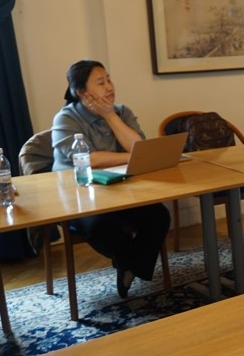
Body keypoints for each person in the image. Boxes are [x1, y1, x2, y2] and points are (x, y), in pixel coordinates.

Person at [51, 59, 171, 299]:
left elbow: (140, 148)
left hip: (121, 190)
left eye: (109, 79)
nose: (109, 87)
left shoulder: (122, 111)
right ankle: (130, 263)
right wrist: (130, 157)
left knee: (159, 216)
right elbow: (87, 159)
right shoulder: (66, 119)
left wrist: (110, 116)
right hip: (81, 196)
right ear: (82, 92)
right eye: (100, 82)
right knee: (100, 227)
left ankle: (129, 269)